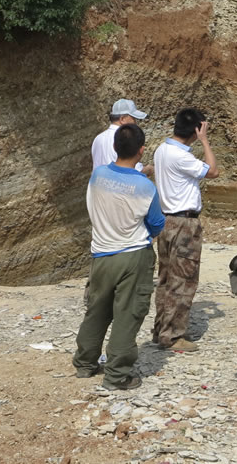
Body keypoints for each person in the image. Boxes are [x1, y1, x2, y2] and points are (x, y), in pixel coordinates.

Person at [73, 123, 164, 390]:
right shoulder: (145, 187)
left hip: (101, 254)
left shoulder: (98, 175)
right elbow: (157, 224)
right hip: (133, 255)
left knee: (97, 311)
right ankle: (117, 374)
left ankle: (85, 364)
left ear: (114, 147)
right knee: (128, 314)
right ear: (141, 150)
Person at [152, 108, 219, 351]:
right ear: (196, 129)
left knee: (166, 278)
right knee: (184, 279)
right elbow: (212, 171)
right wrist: (205, 140)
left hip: (166, 220)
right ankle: (173, 335)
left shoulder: (161, 149)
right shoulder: (181, 156)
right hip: (184, 223)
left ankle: (161, 329)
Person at [90, 99, 152, 175]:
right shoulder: (125, 139)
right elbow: (135, 173)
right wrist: (149, 170)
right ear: (122, 119)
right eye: (133, 118)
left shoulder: (98, 138)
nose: (135, 123)